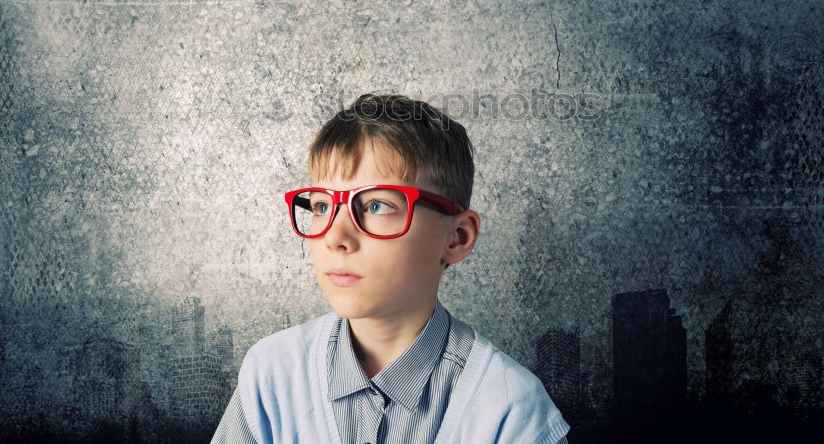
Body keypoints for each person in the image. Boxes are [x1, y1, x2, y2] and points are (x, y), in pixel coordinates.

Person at [210, 93, 570, 443]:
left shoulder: (510, 411)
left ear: (457, 237)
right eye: (321, 207)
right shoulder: (272, 373)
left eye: (377, 206)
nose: (336, 237)